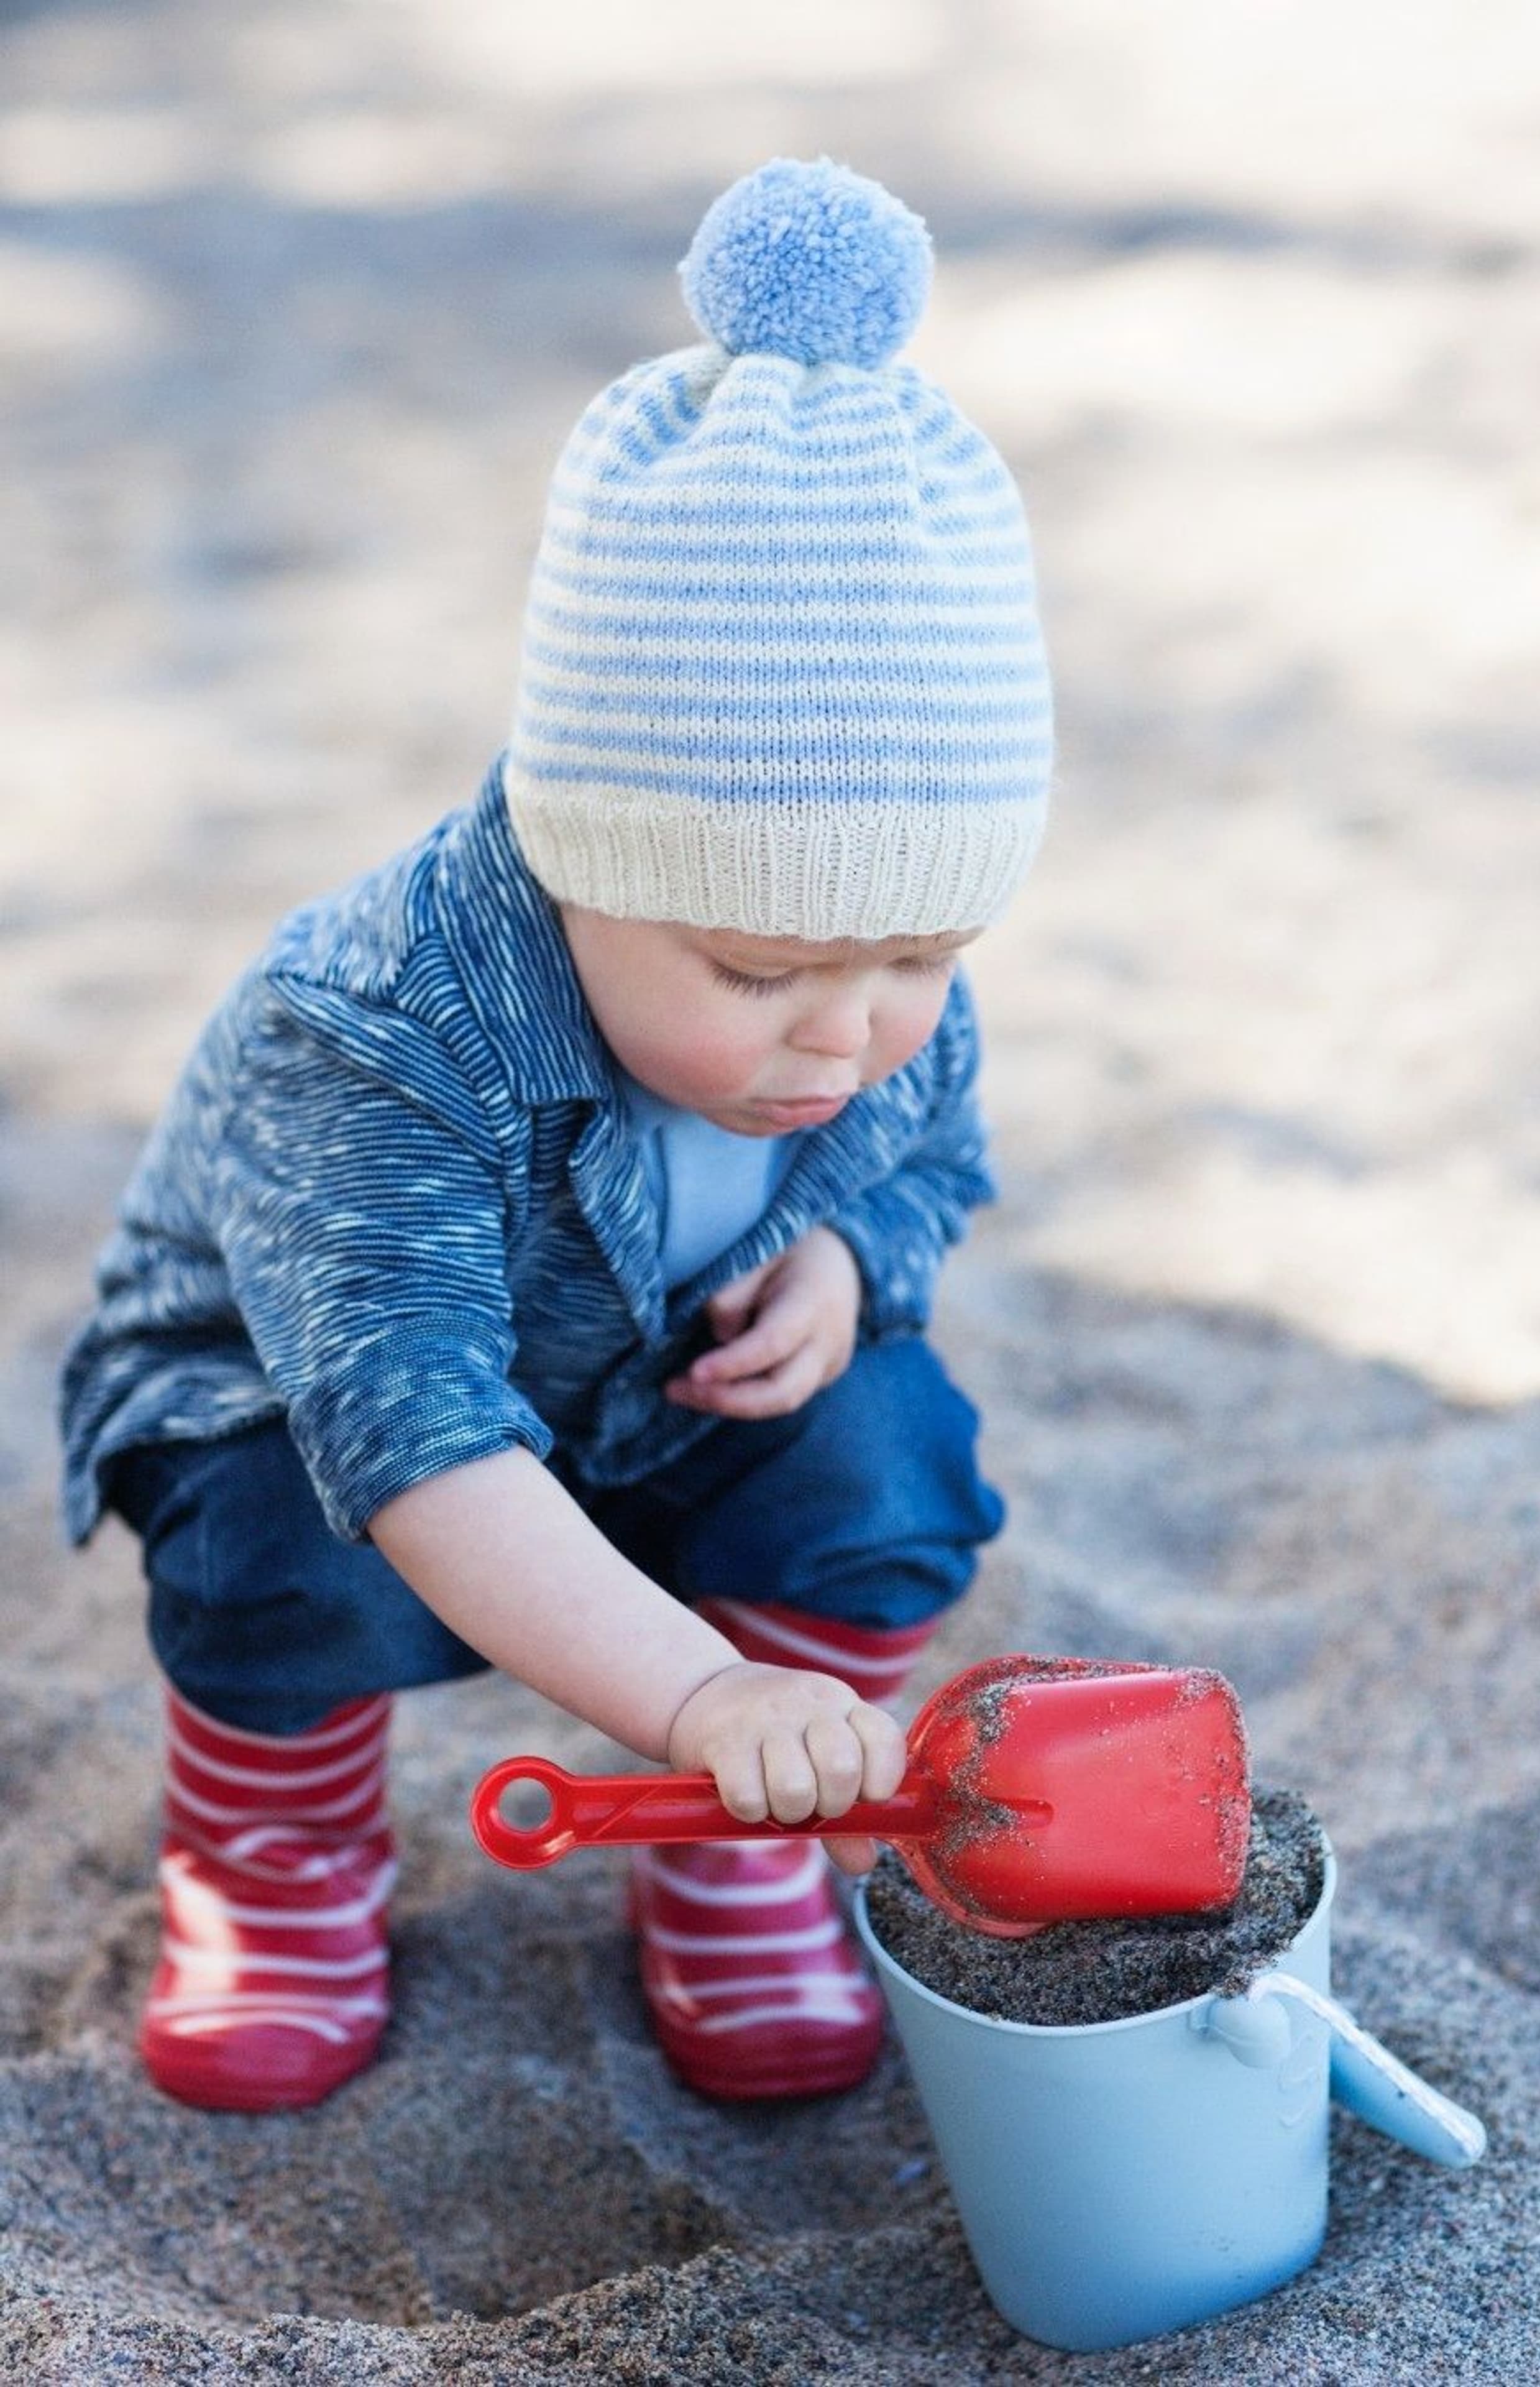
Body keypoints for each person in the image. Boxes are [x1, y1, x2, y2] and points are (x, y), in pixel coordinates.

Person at [57, 157, 1053, 2113]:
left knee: (890, 1445)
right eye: (760, 971)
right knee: (276, 1555)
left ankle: (737, 1843)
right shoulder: (375, 1033)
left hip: (647, 1394)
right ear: (580, 856)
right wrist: (699, 1688)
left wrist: (848, 1256)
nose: (844, 1031)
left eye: (923, 955)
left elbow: (928, 1158)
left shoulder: (868, 986)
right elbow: (414, 1440)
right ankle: (275, 1867)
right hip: (332, 1426)